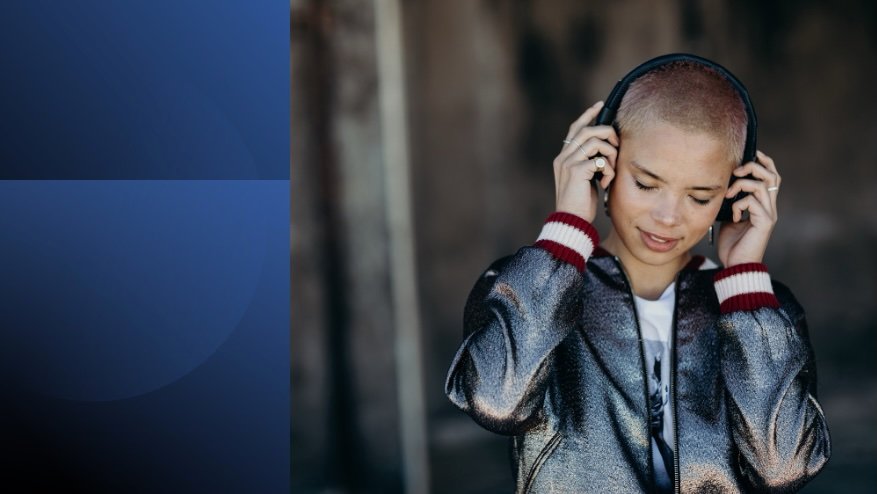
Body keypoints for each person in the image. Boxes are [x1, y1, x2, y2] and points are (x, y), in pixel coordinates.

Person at [445, 55, 830, 493]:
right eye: (646, 184)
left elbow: (783, 468)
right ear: (602, 164)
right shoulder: (527, 284)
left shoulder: (765, 312)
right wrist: (565, 231)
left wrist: (744, 280)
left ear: (732, 195)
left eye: (700, 196)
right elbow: (496, 402)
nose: (668, 217)